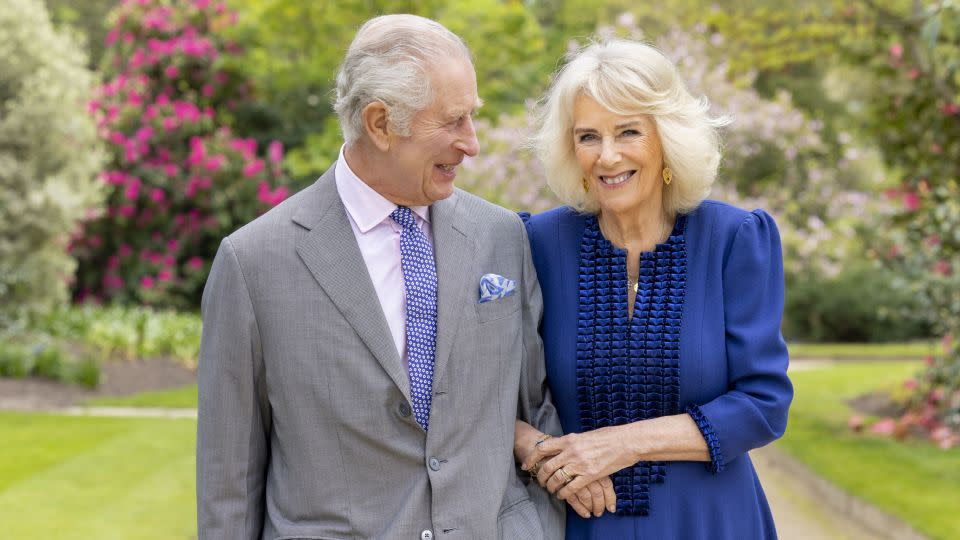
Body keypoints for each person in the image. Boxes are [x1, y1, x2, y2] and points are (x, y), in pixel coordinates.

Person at [196, 14, 569, 539]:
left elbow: (536, 403)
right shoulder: (253, 263)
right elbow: (227, 483)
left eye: (473, 117)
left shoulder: (501, 236)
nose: (473, 143)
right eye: (453, 121)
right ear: (379, 123)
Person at [513, 38, 794, 539]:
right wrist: (537, 453)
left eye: (628, 132)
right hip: (582, 524)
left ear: (666, 139)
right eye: (588, 137)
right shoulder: (535, 244)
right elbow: (480, 394)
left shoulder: (735, 239)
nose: (608, 156)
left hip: (711, 522)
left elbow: (763, 404)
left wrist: (622, 444)